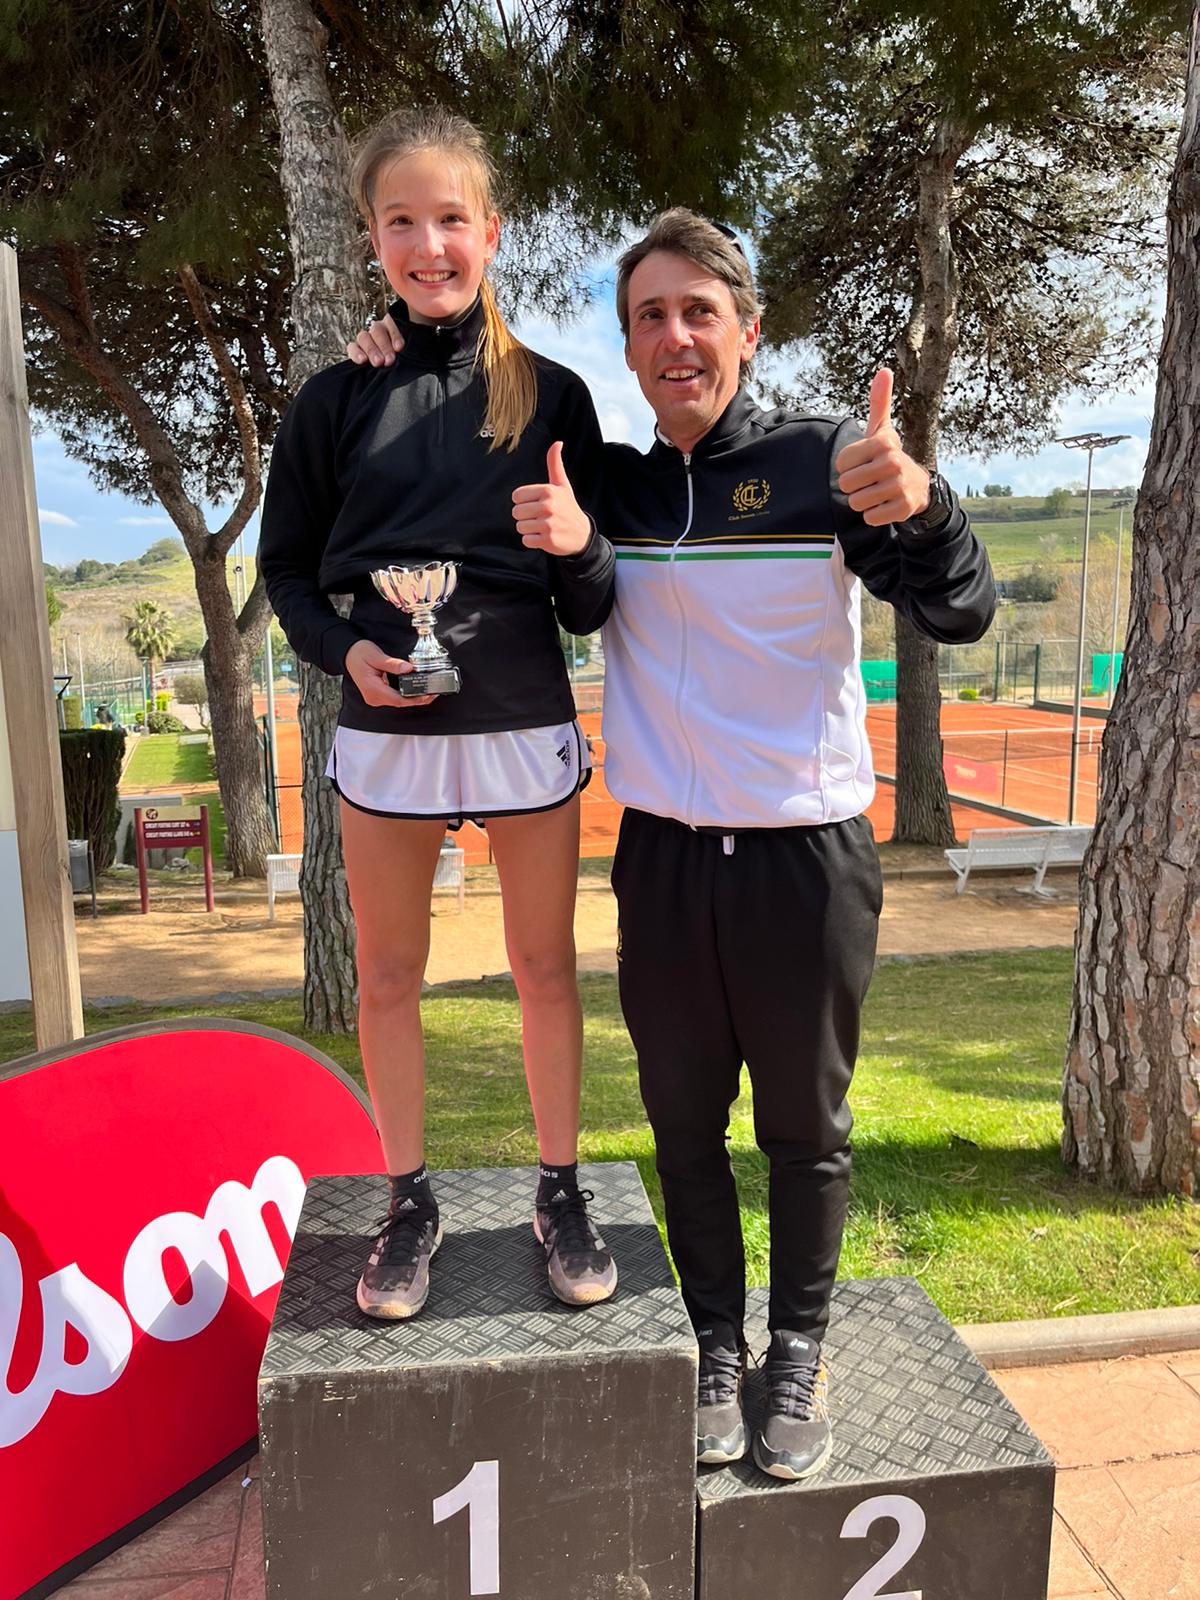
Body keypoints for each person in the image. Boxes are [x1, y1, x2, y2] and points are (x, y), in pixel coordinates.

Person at [348, 210, 995, 1476]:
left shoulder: (827, 460)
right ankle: (714, 1341)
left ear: (747, 331)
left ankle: (796, 1346)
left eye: (701, 311)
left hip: (805, 860)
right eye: (650, 316)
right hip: (662, 859)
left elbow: (959, 611)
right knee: (684, 1131)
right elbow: (476, 440)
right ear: (630, 347)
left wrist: (927, 509)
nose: (676, 337)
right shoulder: (616, 480)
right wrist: (396, 339)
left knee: (804, 1131)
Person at [260, 108, 619, 1323]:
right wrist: (344, 651)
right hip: (386, 727)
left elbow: (592, 598)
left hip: (522, 714)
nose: (429, 245)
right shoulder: (334, 398)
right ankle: (407, 1201)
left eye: (451, 218)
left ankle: (558, 1189)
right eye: (401, 221)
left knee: (542, 966)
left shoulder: (556, 395)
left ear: (491, 231)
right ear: (371, 237)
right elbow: (286, 572)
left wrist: (578, 545)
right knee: (388, 976)